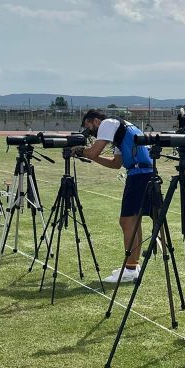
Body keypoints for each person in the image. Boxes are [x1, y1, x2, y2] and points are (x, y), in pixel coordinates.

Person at [79, 110, 156, 283]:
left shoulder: (108, 124)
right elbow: (116, 164)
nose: (90, 132)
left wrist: (80, 151)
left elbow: (92, 152)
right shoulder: (120, 128)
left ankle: (130, 269)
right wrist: (90, 155)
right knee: (134, 221)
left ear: (96, 121)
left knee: (127, 221)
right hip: (143, 172)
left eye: (89, 127)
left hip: (138, 174)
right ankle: (133, 265)